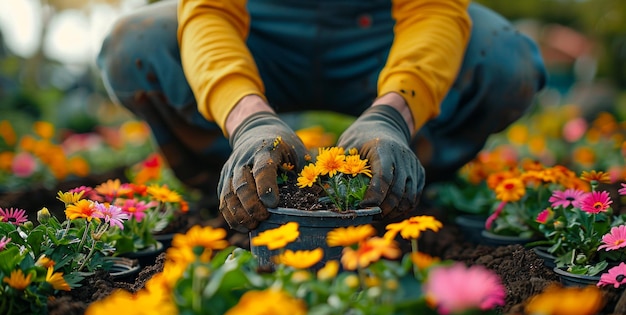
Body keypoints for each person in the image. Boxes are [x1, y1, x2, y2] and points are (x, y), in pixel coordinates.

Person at [97, 0, 546, 232]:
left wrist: (393, 115)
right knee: (136, 45)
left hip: (381, 31)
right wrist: (249, 120)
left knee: (507, 62)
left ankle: (404, 175)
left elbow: (435, 11)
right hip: (261, 29)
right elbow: (209, 11)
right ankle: (239, 178)